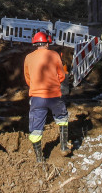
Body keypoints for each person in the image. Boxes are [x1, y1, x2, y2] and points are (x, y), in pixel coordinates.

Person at [24, 30, 69, 162]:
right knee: (62, 119)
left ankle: (39, 158)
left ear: (35, 44)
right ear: (47, 43)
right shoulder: (54, 55)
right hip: (54, 95)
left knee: (35, 129)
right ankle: (64, 147)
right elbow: (61, 75)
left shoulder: (28, 58)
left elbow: (28, 79)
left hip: (37, 98)